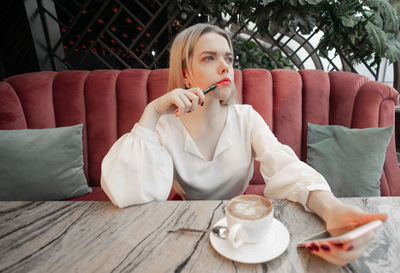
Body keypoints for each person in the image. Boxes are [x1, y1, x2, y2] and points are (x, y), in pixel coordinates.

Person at [101, 23, 387, 266]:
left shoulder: (247, 118)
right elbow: (129, 193)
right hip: (187, 227)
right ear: (185, 73)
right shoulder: (164, 127)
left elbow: (285, 165)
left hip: (240, 227)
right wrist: (151, 112)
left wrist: (331, 209)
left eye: (228, 57)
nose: (225, 65)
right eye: (209, 58)